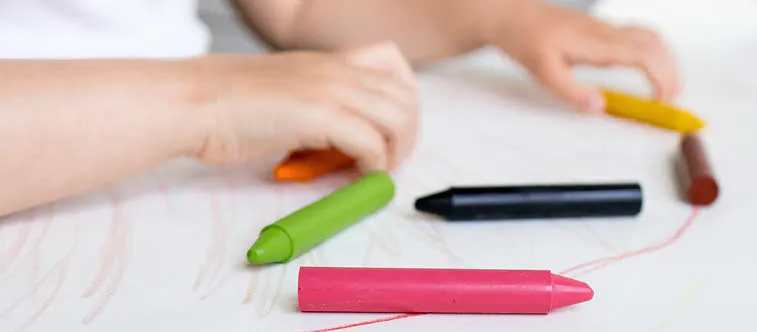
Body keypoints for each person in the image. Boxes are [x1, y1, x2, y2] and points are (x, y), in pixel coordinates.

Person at [0, 0, 681, 218]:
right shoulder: (206, 101)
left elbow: (299, 9)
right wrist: (206, 100)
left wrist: (493, 16)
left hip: (179, 198)